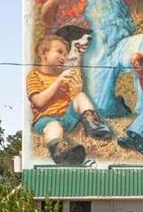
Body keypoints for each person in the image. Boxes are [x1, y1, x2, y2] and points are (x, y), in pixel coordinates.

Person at [26, 34, 112, 164]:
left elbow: (74, 100)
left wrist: (78, 90)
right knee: (54, 127)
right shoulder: (34, 75)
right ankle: (59, 150)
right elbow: (38, 101)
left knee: (81, 96)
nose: (63, 57)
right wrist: (58, 81)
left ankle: (93, 123)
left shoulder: (65, 75)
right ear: (44, 53)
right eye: (59, 52)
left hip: (67, 117)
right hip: (46, 118)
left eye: (65, 54)